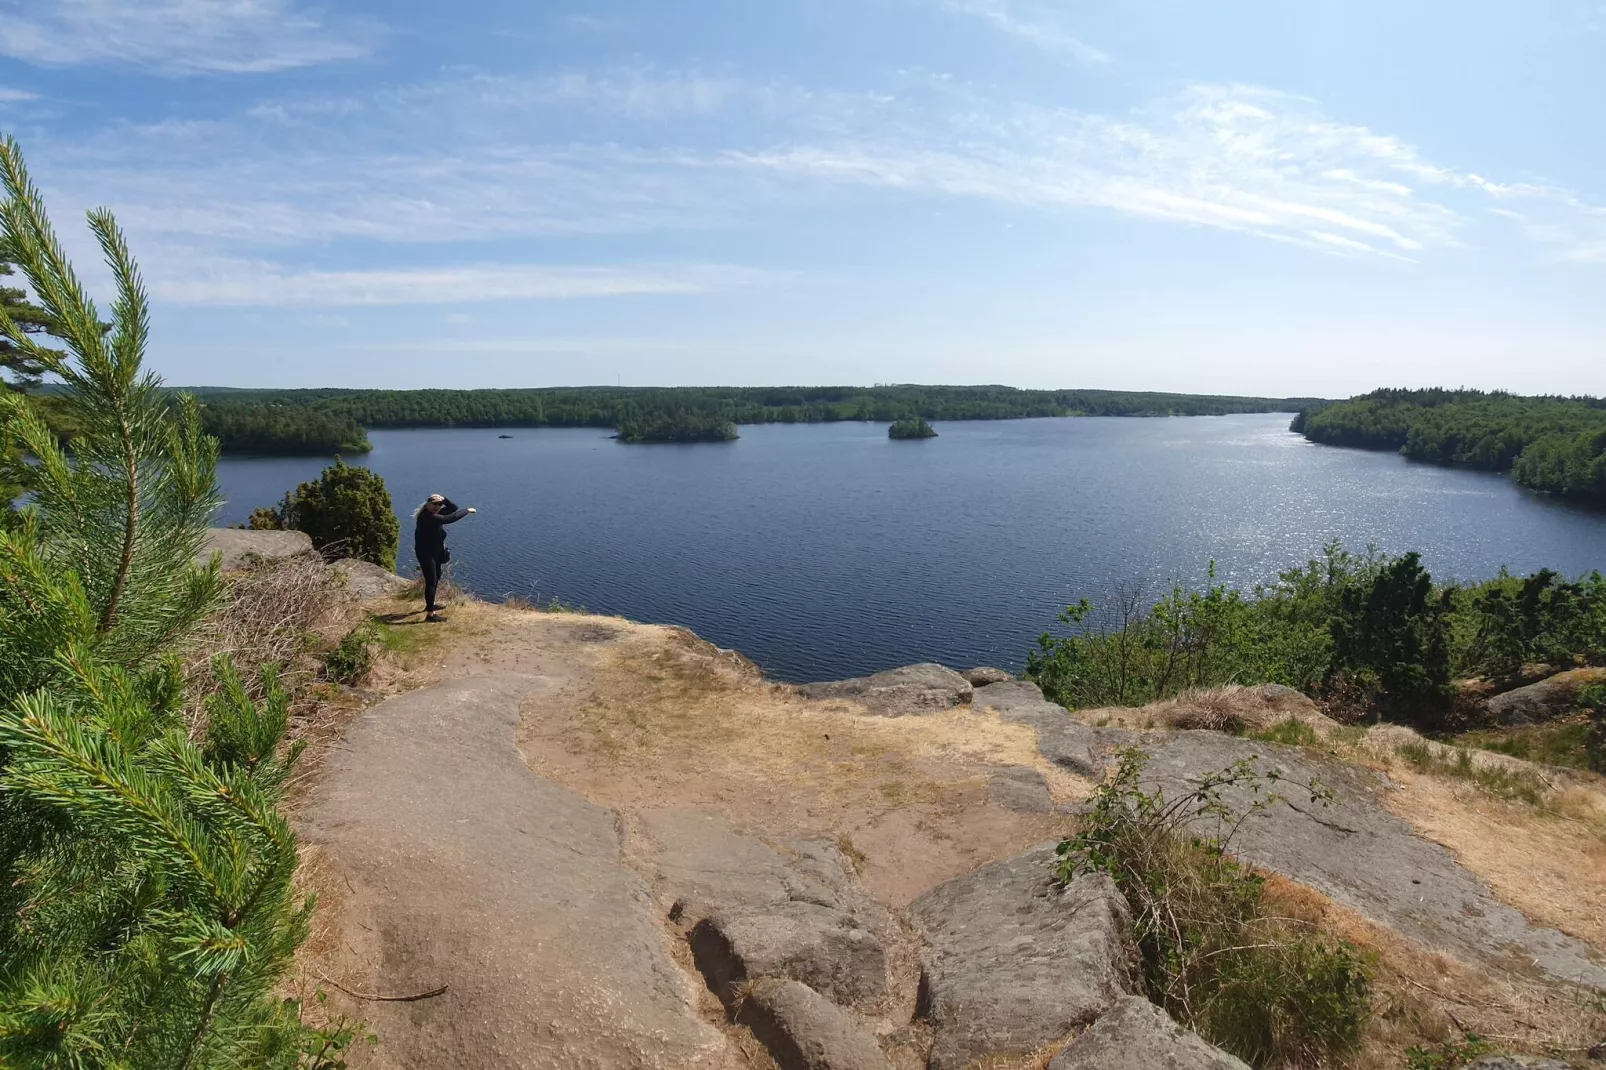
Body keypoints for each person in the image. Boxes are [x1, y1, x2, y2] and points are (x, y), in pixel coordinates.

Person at [414, 493, 475, 622]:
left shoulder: (433, 513)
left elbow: (453, 508)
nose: (437, 506)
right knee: (431, 581)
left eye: (439, 504)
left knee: (436, 577)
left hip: (434, 552)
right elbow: (450, 518)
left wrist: (445, 499)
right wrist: (467, 511)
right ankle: (430, 615)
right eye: (434, 504)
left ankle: (430, 604)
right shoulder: (428, 516)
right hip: (426, 554)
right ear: (427, 504)